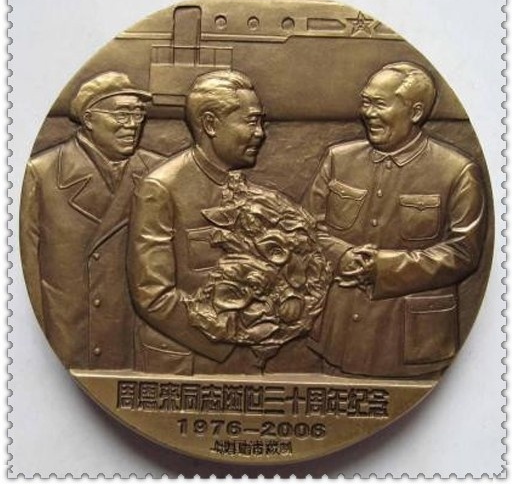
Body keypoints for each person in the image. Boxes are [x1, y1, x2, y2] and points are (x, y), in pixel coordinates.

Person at [304, 62, 486, 378]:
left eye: (379, 104)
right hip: (338, 335)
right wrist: (342, 256)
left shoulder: (457, 172)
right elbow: (303, 229)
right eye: (365, 102)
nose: (368, 113)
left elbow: (463, 252)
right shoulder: (338, 159)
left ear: (415, 112)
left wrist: (382, 268)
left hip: (413, 343)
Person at [20, 72, 165, 369]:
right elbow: (28, 268)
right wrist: (37, 344)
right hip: (69, 338)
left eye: (138, 114)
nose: (132, 124)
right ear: (89, 119)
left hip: (133, 343)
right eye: (122, 114)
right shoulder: (42, 173)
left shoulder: (160, 172)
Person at [128, 70, 268, 374]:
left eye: (261, 123)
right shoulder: (160, 188)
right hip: (185, 362)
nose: (260, 133)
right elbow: (153, 295)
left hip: (244, 361)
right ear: (210, 124)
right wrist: (234, 338)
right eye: (250, 121)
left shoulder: (243, 187)